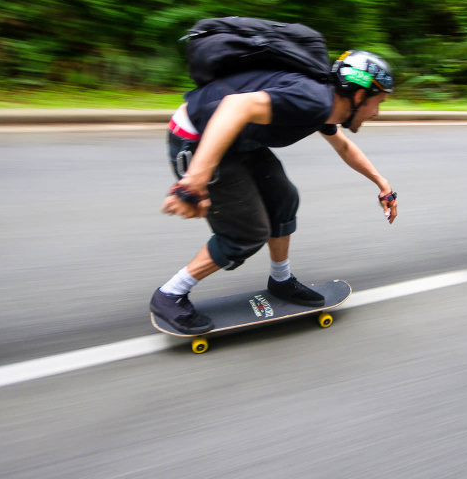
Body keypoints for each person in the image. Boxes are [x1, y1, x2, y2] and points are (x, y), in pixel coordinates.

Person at [150, 49, 398, 334]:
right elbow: (234, 107)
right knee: (246, 233)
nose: (377, 112)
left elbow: (343, 146)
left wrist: (382, 183)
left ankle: (280, 281)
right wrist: (195, 180)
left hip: (239, 140)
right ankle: (170, 294)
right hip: (199, 138)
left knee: (283, 199)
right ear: (359, 95)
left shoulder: (325, 104)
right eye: (378, 102)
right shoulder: (312, 100)